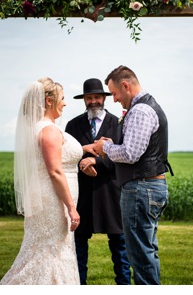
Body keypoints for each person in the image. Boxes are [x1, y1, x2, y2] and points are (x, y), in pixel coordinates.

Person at [0, 77, 92, 284]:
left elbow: (57, 156)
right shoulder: (49, 130)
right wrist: (71, 208)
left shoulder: (40, 127)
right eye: (63, 98)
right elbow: (55, 171)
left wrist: (86, 149)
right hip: (52, 198)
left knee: (47, 247)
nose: (65, 103)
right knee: (52, 249)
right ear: (49, 101)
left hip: (46, 194)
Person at [92, 66, 171, 285]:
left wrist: (105, 148)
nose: (114, 99)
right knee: (146, 251)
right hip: (148, 188)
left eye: (115, 93)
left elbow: (130, 153)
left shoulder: (140, 111)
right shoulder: (146, 107)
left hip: (140, 189)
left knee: (139, 254)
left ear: (126, 86)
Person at [65, 78, 130, 285]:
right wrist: (83, 163)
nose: (93, 101)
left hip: (111, 192)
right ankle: (79, 284)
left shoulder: (119, 124)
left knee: (120, 245)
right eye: (89, 97)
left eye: (96, 97)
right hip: (82, 194)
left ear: (104, 98)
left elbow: (125, 157)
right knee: (78, 245)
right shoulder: (72, 125)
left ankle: (124, 285)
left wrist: (98, 162)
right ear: (84, 100)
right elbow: (65, 155)